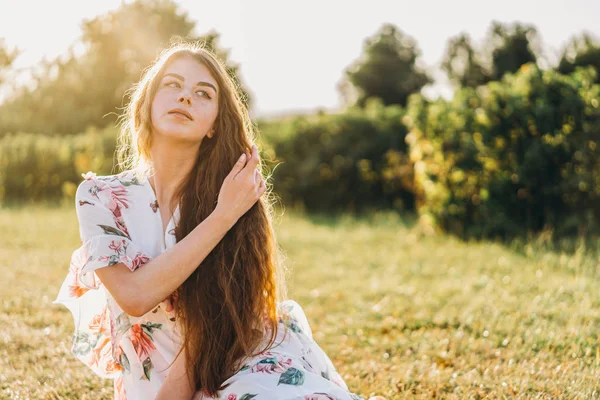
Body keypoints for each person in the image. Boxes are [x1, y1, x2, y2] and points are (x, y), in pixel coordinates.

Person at [54, 42, 384, 400]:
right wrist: (222, 217)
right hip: (153, 384)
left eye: (203, 93)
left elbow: (214, 332)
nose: (185, 97)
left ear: (213, 125)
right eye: (172, 85)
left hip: (233, 365)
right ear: (147, 103)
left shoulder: (232, 194)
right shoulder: (100, 197)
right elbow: (135, 296)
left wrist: (226, 211)